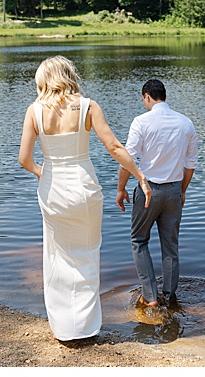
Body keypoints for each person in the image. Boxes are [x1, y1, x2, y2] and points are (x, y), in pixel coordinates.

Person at [18, 55, 151, 341]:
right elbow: (114, 147)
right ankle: (86, 327)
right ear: (69, 75)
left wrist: (44, 172)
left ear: (44, 79)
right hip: (84, 187)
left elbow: (24, 159)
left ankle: (64, 329)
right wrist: (139, 176)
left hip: (52, 187)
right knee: (87, 255)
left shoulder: (34, 111)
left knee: (56, 255)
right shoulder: (88, 107)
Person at [116, 79, 199, 308]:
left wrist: (121, 188)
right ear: (164, 95)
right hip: (173, 190)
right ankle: (170, 297)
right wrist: (181, 191)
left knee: (139, 240)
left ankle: (151, 296)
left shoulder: (141, 122)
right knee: (170, 246)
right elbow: (190, 164)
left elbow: (127, 159)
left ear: (147, 96)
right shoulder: (186, 123)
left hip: (148, 190)